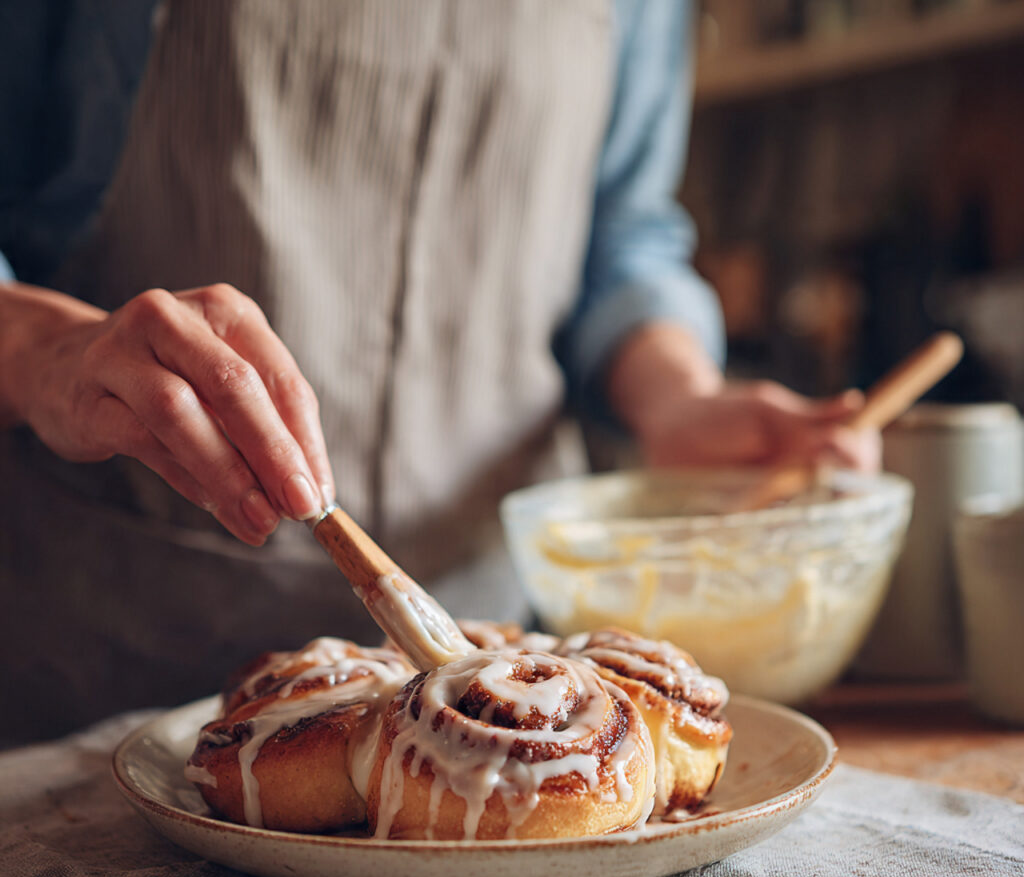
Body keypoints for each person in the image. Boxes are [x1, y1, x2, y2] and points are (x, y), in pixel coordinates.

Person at [0, 0, 875, 744]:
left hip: (512, 664)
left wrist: (675, 393)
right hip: (111, 654)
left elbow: (619, 235)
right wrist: (43, 348)